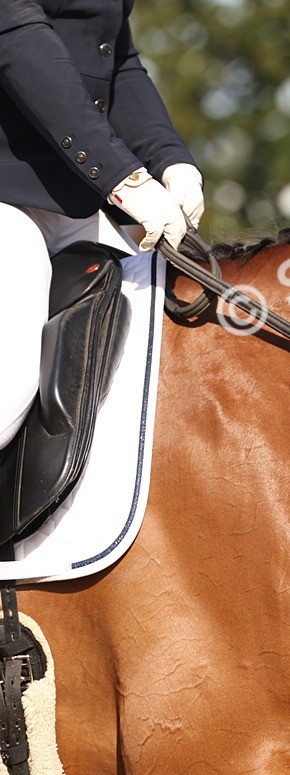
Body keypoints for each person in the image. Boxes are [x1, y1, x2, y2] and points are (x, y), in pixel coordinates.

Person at [0, 0, 204, 451]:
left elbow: (115, 56)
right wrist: (121, 178)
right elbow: (15, 38)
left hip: (67, 199)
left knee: (154, 334)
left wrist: (169, 156)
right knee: (10, 381)